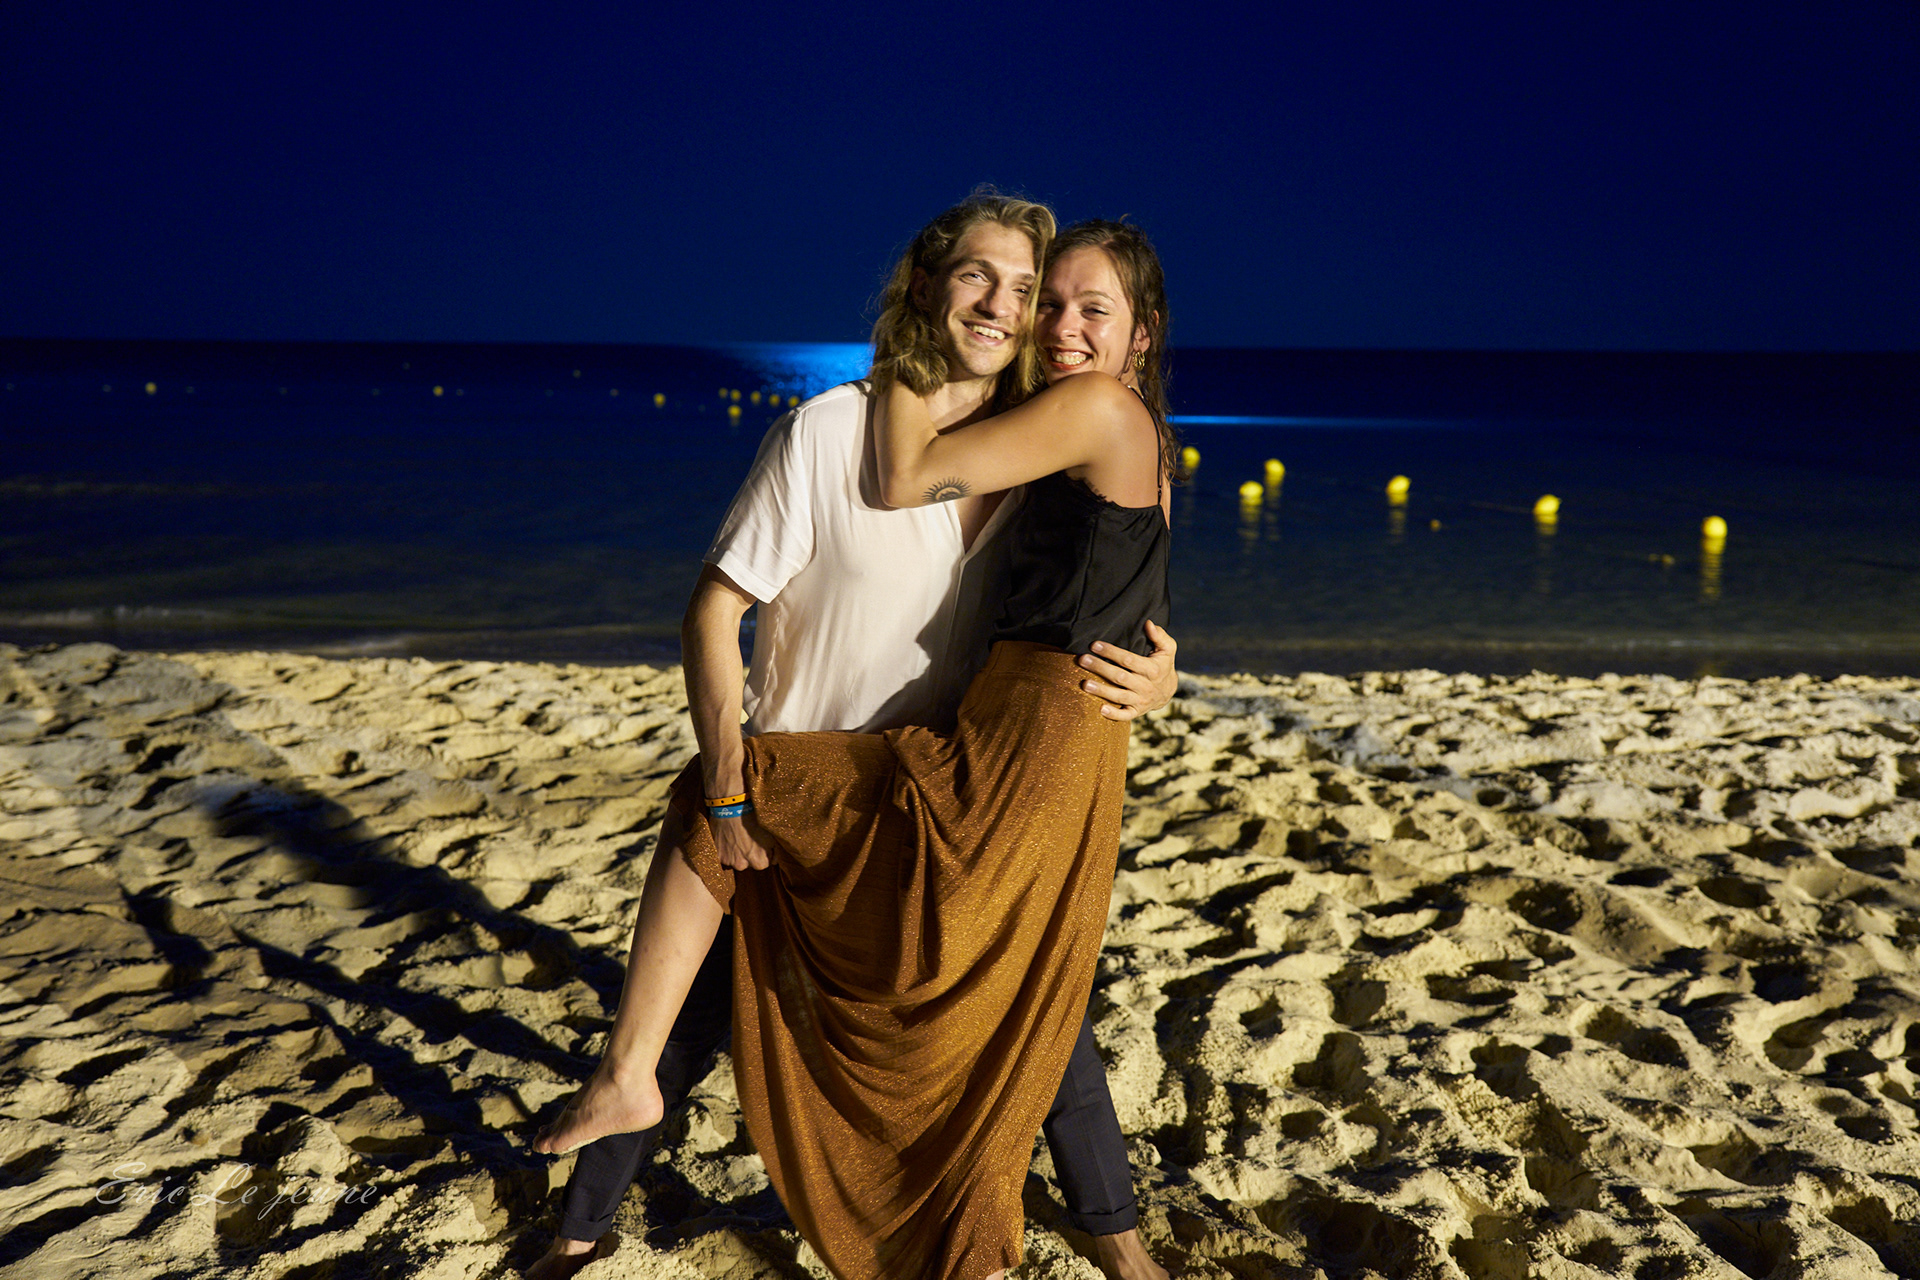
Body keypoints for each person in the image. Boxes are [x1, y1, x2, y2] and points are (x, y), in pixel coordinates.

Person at [527, 198, 1174, 1280]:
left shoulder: (1043, 443)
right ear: (927, 284)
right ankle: (577, 1232)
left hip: (946, 785)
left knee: (1037, 1011)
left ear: (1138, 332)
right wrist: (735, 786)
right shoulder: (837, 429)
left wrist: (1156, 666)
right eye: (1000, 283)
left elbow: (1101, 575)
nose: (1032, 314)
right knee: (717, 994)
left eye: (1055, 298)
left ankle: (1121, 1242)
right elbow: (711, 610)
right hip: (832, 773)